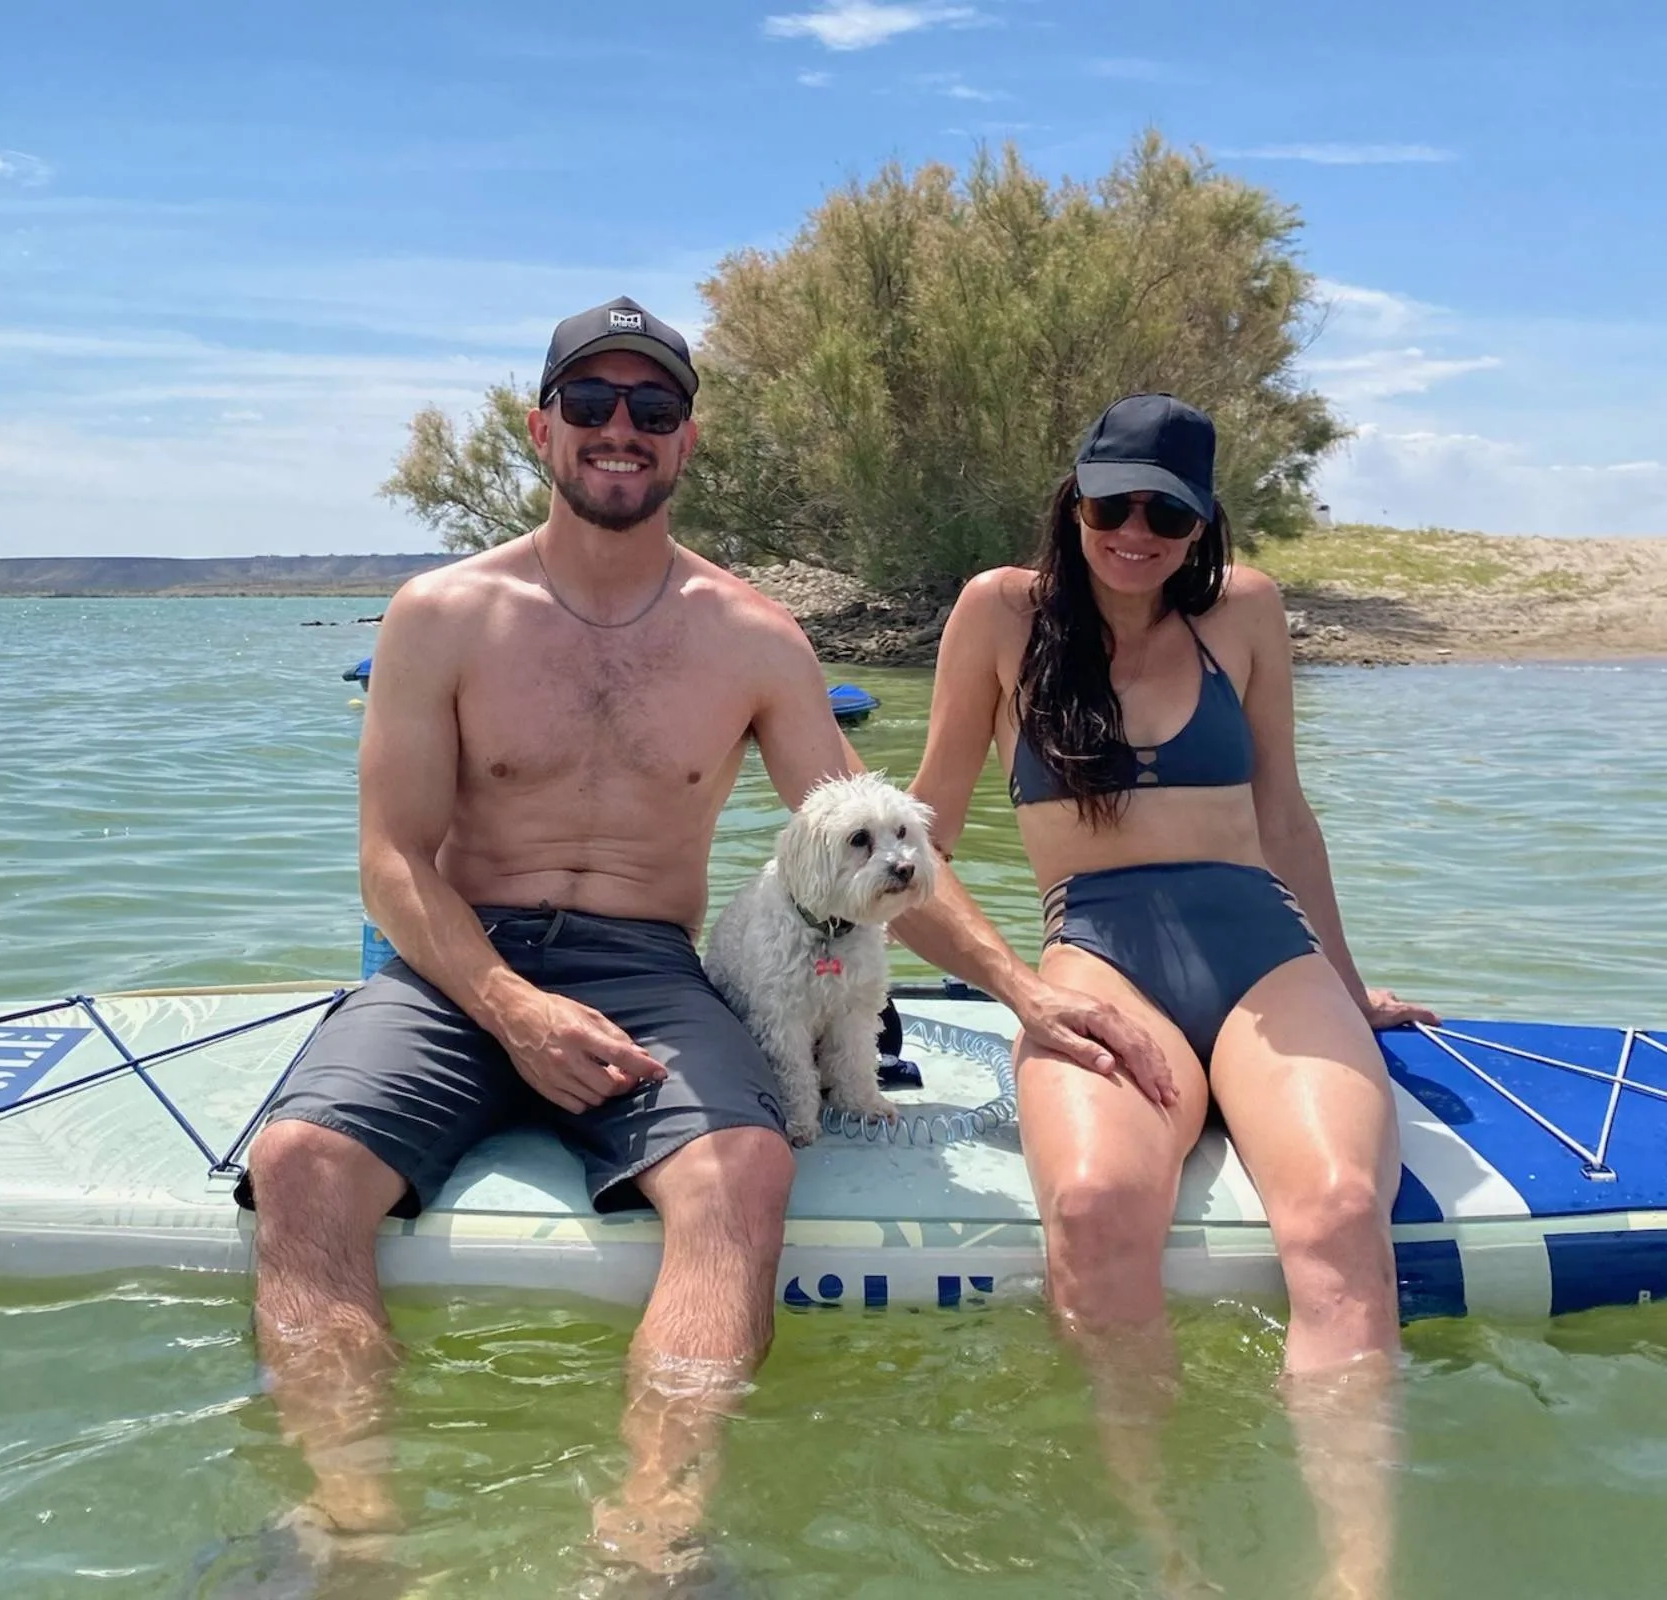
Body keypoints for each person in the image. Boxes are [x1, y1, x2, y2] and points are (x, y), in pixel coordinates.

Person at [235, 298, 1169, 1589]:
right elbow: (392, 860)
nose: (620, 428)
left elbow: (874, 846)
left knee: (742, 1173)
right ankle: (351, 1528)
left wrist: (1023, 990)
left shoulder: (751, 637)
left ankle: (652, 1535)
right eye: (591, 403)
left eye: (654, 408)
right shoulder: (441, 613)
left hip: (643, 965)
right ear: (541, 429)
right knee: (298, 1163)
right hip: (461, 961)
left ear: (686, 440)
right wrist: (511, 1007)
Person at [909, 393, 1436, 1600]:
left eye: (1167, 513)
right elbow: (916, 841)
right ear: (1074, 501)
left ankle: (1356, 1577)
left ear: (1203, 522)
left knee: (1341, 1211)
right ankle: (1169, 1558)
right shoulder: (999, 613)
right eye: (1113, 505)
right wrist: (1017, 991)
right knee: (1095, 1207)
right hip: (1097, 958)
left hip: (1261, 950)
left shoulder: (1245, 610)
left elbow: (1285, 818)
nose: (1135, 533)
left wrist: (1347, 986)